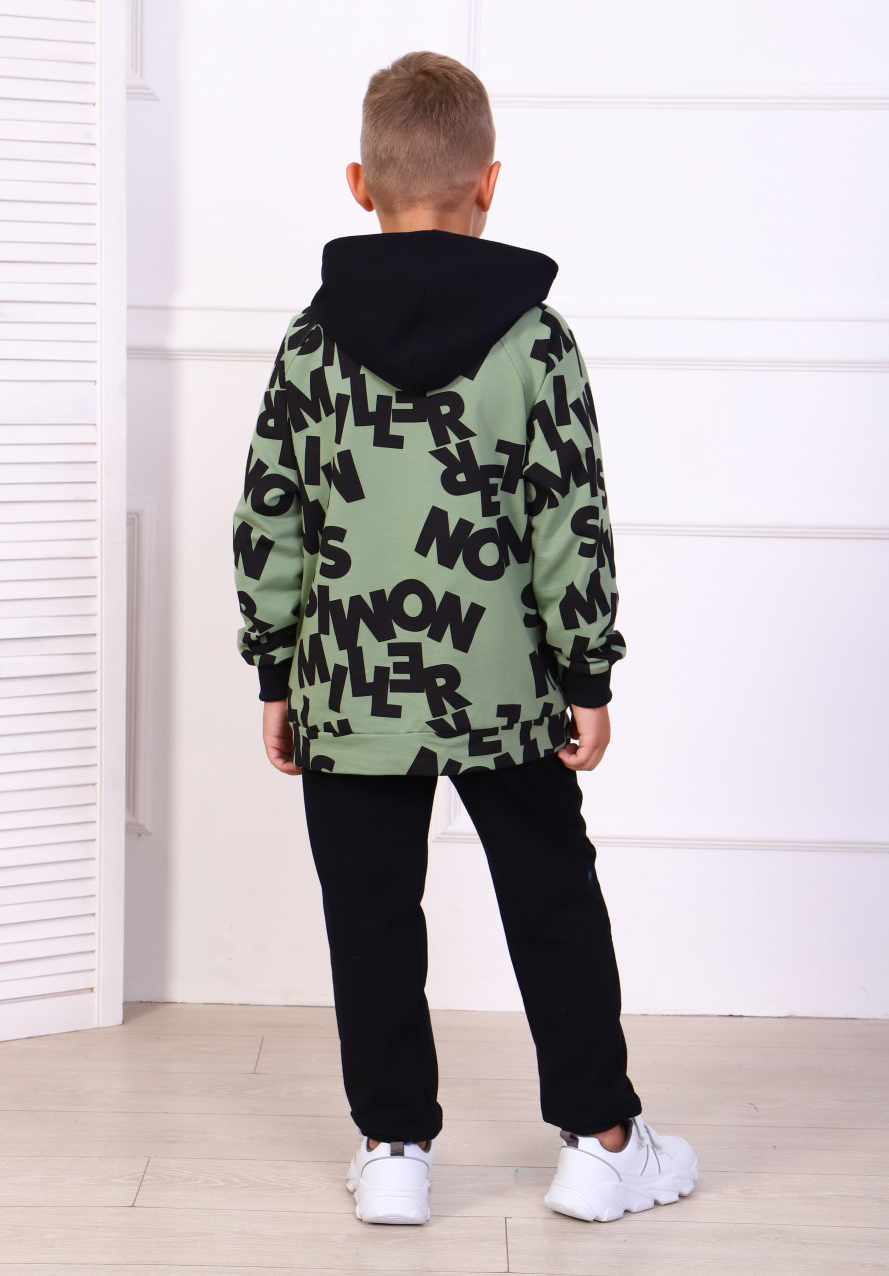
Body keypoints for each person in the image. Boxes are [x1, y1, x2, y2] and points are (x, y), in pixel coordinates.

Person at [232, 50, 698, 1226]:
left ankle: (393, 1145)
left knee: (371, 911)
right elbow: (569, 522)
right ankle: (602, 1141)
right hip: (505, 688)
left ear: (359, 185)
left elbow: (271, 519)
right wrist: (587, 672)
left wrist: (278, 668)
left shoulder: (310, 343)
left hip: (349, 687)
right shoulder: (535, 343)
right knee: (551, 896)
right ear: (489, 183)